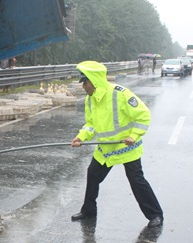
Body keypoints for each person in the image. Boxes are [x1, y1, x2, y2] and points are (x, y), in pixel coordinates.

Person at [70, 61, 164, 227]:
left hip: (126, 146)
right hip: (106, 148)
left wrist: (134, 135)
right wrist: (81, 137)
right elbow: (90, 124)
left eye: (85, 82)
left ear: (94, 81)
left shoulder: (120, 94)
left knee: (136, 179)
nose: (83, 86)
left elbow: (143, 114)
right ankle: (88, 211)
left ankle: (155, 215)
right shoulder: (90, 100)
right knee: (93, 175)